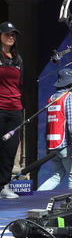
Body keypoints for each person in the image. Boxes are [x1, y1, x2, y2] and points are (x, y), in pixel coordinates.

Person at [38, 68, 72, 190]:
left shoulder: (52, 98)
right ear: (71, 84)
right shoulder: (69, 97)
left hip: (54, 145)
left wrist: (48, 146)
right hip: (66, 145)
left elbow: (49, 123)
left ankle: (37, 197)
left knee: (57, 176)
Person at [0, 22, 23, 199]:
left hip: (15, 109)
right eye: (7, 33)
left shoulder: (17, 59)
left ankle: (3, 186)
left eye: (13, 34)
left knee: (10, 148)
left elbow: (18, 84)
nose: (11, 36)